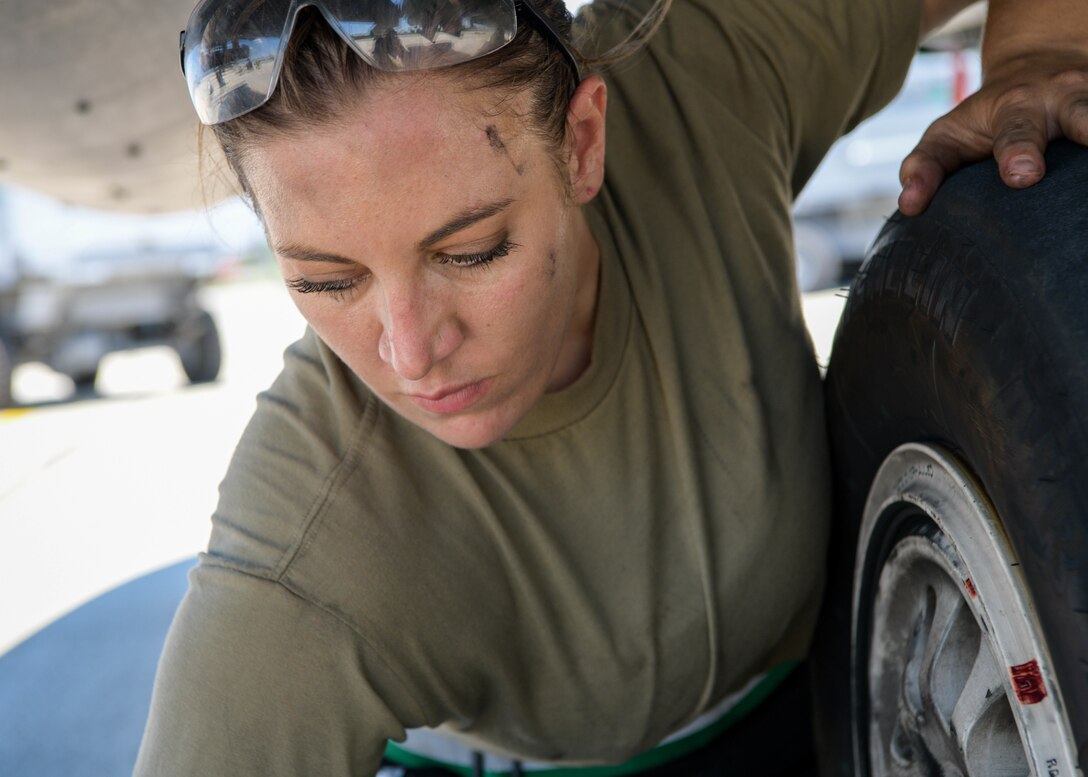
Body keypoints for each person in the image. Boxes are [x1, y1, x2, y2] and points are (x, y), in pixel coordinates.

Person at [137, 0, 1088, 774]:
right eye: (325, 281)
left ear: (586, 141)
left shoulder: (700, 84)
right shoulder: (307, 561)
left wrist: (1040, 50)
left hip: (834, 707)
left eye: (471, 250)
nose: (411, 352)